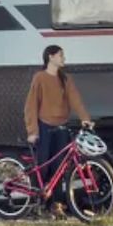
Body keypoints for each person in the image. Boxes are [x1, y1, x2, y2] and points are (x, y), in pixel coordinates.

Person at [24, 45, 95, 176]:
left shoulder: (65, 79)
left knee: (59, 167)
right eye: (61, 55)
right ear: (50, 57)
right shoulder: (40, 77)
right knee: (43, 165)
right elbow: (31, 105)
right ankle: (40, 194)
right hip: (44, 126)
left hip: (62, 126)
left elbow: (75, 99)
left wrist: (85, 118)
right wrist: (32, 131)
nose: (64, 58)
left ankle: (57, 196)